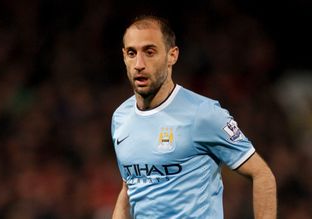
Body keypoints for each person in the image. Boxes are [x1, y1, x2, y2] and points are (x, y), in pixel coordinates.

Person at [111, 15, 277, 219]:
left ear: (172, 55)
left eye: (150, 52)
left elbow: (262, 175)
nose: (139, 63)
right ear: (124, 57)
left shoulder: (204, 113)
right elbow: (128, 188)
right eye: (131, 53)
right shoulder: (121, 117)